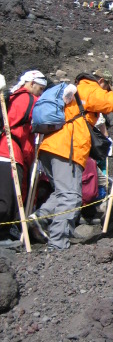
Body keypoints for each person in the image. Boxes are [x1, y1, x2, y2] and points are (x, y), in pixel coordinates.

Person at [33, 73, 113, 251]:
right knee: (71, 197)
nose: (106, 91)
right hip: (67, 148)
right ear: (101, 81)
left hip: (50, 147)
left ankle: (40, 219)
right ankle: (58, 244)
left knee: (62, 192)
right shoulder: (88, 88)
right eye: (107, 88)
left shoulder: (75, 91)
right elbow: (107, 102)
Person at [0, 70, 46, 243]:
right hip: (10, 153)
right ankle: (4, 234)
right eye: (40, 89)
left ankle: (7, 233)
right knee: (7, 200)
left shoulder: (12, 98)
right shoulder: (28, 99)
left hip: (11, 152)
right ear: (31, 83)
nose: (40, 93)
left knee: (9, 199)